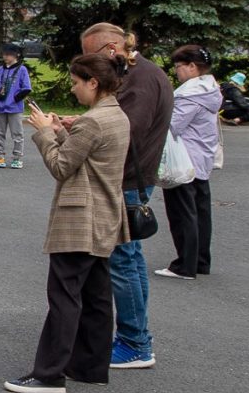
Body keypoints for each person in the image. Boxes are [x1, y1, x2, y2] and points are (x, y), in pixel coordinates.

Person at [9, 53, 132, 393]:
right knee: (95, 296)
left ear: (94, 83)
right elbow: (84, 157)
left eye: (77, 83)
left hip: (81, 218)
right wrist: (62, 131)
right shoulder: (114, 115)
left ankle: (49, 373)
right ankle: (91, 366)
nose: (74, 90)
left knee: (64, 296)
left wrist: (46, 134)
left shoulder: (93, 121)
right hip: (105, 215)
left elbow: (62, 166)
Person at [88, 23, 171, 371]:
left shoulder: (140, 78)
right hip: (133, 177)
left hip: (127, 179)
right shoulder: (145, 73)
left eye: (92, 57)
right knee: (129, 259)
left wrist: (83, 133)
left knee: (123, 260)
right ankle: (136, 339)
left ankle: (135, 342)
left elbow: (125, 129)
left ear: (111, 49)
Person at [164, 45, 220, 279]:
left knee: (182, 213)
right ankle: (200, 261)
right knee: (200, 212)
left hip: (183, 160)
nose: (177, 72)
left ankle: (184, 265)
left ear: (192, 67)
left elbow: (173, 124)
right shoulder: (210, 89)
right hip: (202, 158)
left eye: (179, 67)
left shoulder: (190, 94)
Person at [0, 44, 34, 168]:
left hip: (14, 108)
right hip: (0, 107)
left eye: (8, 54)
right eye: (4, 54)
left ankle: (17, 157)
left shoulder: (22, 70)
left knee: (17, 134)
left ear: (16, 55)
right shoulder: (0, 70)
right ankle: (0, 156)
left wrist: (15, 98)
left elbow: (26, 88)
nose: (6, 57)